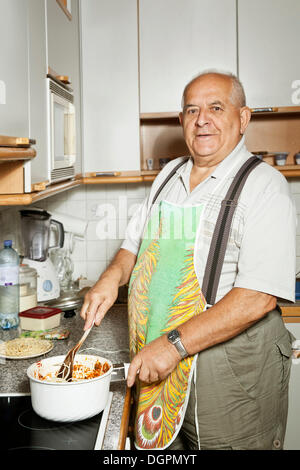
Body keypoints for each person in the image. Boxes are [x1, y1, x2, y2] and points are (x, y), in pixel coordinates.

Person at [80, 70, 296, 450]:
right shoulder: (169, 175)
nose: (202, 120)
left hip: (229, 375)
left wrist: (172, 345)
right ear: (181, 121)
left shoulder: (264, 186)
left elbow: (258, 297)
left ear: (242, 118)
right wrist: (110, 279)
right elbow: (132, 244)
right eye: (192, 110)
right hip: (158, 365)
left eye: (216, 107)